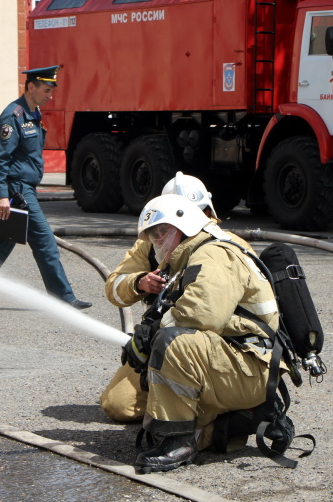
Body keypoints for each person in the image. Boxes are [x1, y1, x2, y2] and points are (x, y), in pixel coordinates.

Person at [122, 194, 283, 474]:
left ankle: (178, 443)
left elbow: (202, 313)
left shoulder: (214, 254)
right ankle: (241, 420)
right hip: (237, 362)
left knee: (175, 343)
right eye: (154, 235)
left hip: (250, 368)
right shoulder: (193, 255)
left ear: (187, 227)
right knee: (167, 411)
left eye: (164, 232)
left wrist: (151, 331)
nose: (158, 241)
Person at [101, 172, 252, 422]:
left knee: (200, 409)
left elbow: (207, 316)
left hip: (215, 344)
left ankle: (205, 403)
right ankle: (170, 395)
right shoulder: (152, 242)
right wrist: (139, 282)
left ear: (206, 213)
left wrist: (153, 335)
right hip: (162, 339)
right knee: (119, 405)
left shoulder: (224, 247)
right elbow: (114, 287)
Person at [0, 65, 91, 310]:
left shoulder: (34, 113)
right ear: (31, 87)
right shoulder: (13, 115)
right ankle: (63, 297)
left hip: (25, 187)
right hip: (18, 191)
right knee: (45, 242)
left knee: (5, 240)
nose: (50, 95)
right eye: (46, 90)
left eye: (51, 91)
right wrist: (2, 196)